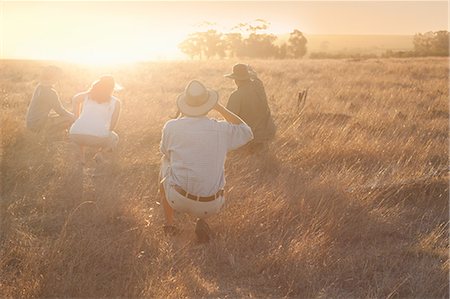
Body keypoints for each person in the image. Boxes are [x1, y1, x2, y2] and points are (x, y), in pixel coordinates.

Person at [159, 80, 253, 242]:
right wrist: (219, 107)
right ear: (208, 104)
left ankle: (169, 225)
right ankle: (201, 220)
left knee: (165, 162)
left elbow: (166, 152)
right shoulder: (221, 129)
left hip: (177, 199)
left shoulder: (171, 127)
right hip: (212, 206)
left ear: (185, 104)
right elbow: (247, 132)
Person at [69, 75, 121, 168]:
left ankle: (81, 160)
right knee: (115, 138)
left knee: (80, 136)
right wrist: (100, 129)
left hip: (75, 134)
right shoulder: (116, 102)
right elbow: (112, 127)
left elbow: (75, 99)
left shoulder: (87, 95)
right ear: (112, 88)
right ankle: (101, 154)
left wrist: (77, 118)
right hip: (98, 138)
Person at [225, 63, 276, 153]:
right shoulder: (259, 87)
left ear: (235, 80)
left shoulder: (236, 95)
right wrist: (251, 71)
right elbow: (256, 79)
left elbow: (229, 120)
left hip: (248, 138)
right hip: (266, 134)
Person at [26, 65, 75, 134]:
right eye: (59, 76)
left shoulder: (39, 86)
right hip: (37, 125)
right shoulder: (50, 92)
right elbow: (61, 111)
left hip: (30, 123)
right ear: (54, 76)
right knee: (70, 118)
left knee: (61, 114)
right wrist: (75, 117)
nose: (59, 78)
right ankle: (50, 135)